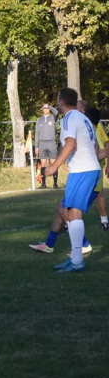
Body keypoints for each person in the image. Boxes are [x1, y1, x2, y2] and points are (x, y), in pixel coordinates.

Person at [29, 106, 107, 256]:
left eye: (82, 111)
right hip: (88, 177)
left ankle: (83, 245)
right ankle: (49, 244)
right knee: (61, 209)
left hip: (87, 179)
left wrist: (56, 165)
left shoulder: (90, 131)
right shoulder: (89, 130)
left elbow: (95, 153)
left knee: (67, 211)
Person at [44, 88, 101, 273]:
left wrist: (54, 166)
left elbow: (70, 144)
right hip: (87, 169)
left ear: (61, 101)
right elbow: (92, 144)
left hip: (83, 170)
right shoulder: (83, 117)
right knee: (68, 211)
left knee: (74, 212)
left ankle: (77, 260)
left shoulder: (69, 117)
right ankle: (76, 258)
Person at [77, 100, 109, 231]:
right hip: (87, 163)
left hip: (96, 163)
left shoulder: (97, 125)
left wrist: (108, 164)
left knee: (97, 193)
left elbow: (106, 144)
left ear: (83, 110)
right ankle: (71, 220)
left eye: (78, 108)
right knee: (88, 193)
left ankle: (104, 221)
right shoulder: (81, 124)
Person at [35, 103, 59, 189]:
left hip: (51, 142)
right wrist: (36, 146)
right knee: (43, 163)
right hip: (42, 143)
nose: (46, 109)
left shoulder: (53, 118)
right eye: (44, 108)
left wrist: (49, 106)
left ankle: (55, 184)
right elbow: (37, 134)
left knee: (53, 163)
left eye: (47, 108)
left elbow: (57, 112)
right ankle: (43, 184)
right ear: (42, 109)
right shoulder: (39, 120)